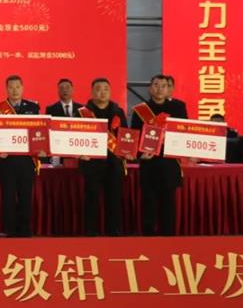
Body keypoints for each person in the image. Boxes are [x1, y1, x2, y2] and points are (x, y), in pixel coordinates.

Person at [131, 74, 187, 236]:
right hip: (149, 164)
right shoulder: (140, 110)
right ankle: (149, 238)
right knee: (149, 203)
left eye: (164, 86)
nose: (160, 89)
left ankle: (168, 238)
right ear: (150, 88)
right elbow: (134, 135)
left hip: (170, 162)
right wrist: (140, 154)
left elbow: (184, 132)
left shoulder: (178, 108)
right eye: (156, 85)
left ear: (169, 89)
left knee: (169, 203)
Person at [76, 78, 128, 236]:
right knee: (91, 199)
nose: (102, 92)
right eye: (98, 89)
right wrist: (79, 152)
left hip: (114, 164)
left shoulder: (118, 112)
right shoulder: (82, 113)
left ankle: (114, 232)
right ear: (92, 92)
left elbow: (126, 135)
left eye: (106, 89)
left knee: (114, 199)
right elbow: (74, 137)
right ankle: (91, 232)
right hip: (91, 164)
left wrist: (127, 151)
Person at [0, 75, 41, 237]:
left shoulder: (33, 107)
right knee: (8, 197)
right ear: (6, 89)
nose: (14, 90)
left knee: (25, 196)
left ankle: (25, 229)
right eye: (11, 87)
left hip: (27, 161)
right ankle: (10, 230)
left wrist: (41, 148)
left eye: (17, 87)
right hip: (6, 161)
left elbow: (40, 132)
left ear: (22, 88)